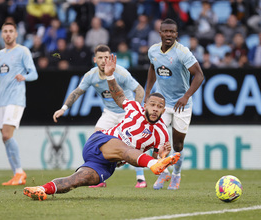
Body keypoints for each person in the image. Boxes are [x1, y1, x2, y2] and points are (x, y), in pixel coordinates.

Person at [23, 54, 181, 201]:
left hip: (108, 163)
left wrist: (161, 157)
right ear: (145, 105)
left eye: (159, 106)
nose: (155, 108)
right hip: (100, 142)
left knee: (77, 180)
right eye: (152, 105)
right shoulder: (134, 108)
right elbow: (119, 95)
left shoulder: (162, 134)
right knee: (125, 149)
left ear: (163, 110)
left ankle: (42, 189)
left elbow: (152, 159)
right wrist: (110, 75)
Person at [52, 45, 148, 188]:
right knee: (96, 141)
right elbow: (77, 92)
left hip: (126, 112)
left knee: (131, 144)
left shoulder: (121, 73)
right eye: (101, 58)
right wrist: (64, 108)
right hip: (109, 112)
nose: (104, 61)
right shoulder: (91, 75)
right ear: (95, 60)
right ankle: (100, 179)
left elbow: (139, 90)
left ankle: (141, 179)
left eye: (106, 57)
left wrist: (136, 111)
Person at [145, 18, 204, 190]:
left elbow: (199, 75)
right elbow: (152, 68)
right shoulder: (153, 51)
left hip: (181, 105)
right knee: (156, 140)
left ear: (176, 34)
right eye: (166, 31)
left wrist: (186, 96)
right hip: (162, 104)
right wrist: (148, 92)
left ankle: (176, 175)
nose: (169, 34)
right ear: (160, 33)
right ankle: (163, 173)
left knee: (177, 145)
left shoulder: (182, 52)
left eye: (172, 32)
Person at [0, 22, 38, 185]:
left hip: (16, 99)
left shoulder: (23, 51)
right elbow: (0, 78)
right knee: (5, 138)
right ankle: (16, 175)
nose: (8, 34)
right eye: (5, 31)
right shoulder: (0, 54)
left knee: (7, 134)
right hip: (2, 101)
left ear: (16, 34)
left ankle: (20, 172)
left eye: (11, 31)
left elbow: (34, 73)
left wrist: (24, 77)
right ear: (1, 34)